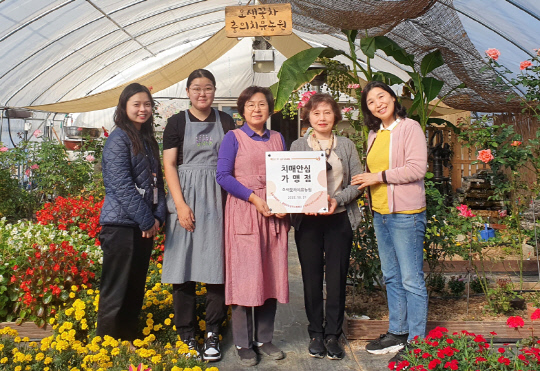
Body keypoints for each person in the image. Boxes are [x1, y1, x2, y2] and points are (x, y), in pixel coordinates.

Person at [351, 81, 428, 368]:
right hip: (381, 213)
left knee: (411, 279)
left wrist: (377, 177)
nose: (378, 104)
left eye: (381, 97)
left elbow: (417, 168)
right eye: (371, 102)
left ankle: (417, 342)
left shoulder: (410, 128)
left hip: (406, 213)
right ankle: (398, 331)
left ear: (393, 98)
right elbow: (374, 172)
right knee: (391, 276)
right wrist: (364, 178)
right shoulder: (374, 134)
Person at [161, 69, 235, 361]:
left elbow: (234, 160)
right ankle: (187, 334)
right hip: (186, 196)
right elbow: (169, 165)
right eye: (196, 88)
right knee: (184, 268)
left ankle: (213, 332)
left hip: (218, 196)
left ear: (214, 91)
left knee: (217, 267)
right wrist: (179, 205)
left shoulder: (226, 121)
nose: (202, 93)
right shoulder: (176, 122)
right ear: (188, 92)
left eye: (207, 88)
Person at [216, 86, 289, 367]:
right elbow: (222, 176)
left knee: (270, 274)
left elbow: (285, 176)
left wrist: (285, 205)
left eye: (262, 104)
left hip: (273, 214)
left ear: (270, 109)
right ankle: (243, 342)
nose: (256, 109)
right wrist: (254, 198)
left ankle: (265, 338)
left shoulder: (278, 138)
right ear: (242, 110)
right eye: (250, 105)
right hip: (245, 211)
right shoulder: (232, 138)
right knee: (245, 276)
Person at [290, 93, 363, 360]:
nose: (322, 118)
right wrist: (298, 201)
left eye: (327, 113)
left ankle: (333, 334)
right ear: (308, 116)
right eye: (316, 113)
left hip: (338, 218)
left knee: (336, 277)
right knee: (310, 278)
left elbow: (358, 182)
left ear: (336, 117)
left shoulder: (346, 145)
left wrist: (338, 199)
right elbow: (289, 183)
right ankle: (315, 334)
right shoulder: (297, 146)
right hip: (307, 221)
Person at [97, 83, 166, 343]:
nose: (143, 109)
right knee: (116, 291)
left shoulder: (146, 140)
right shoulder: (119, 138)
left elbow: (156, 182)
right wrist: (148, 219)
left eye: (147, 104)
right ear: (124, 107)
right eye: (136, 104)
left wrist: (159, 216)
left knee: (134, 288)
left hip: (140, 226)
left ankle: (125, 344)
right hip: (121, 226)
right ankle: (106, 347)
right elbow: (121, 186)